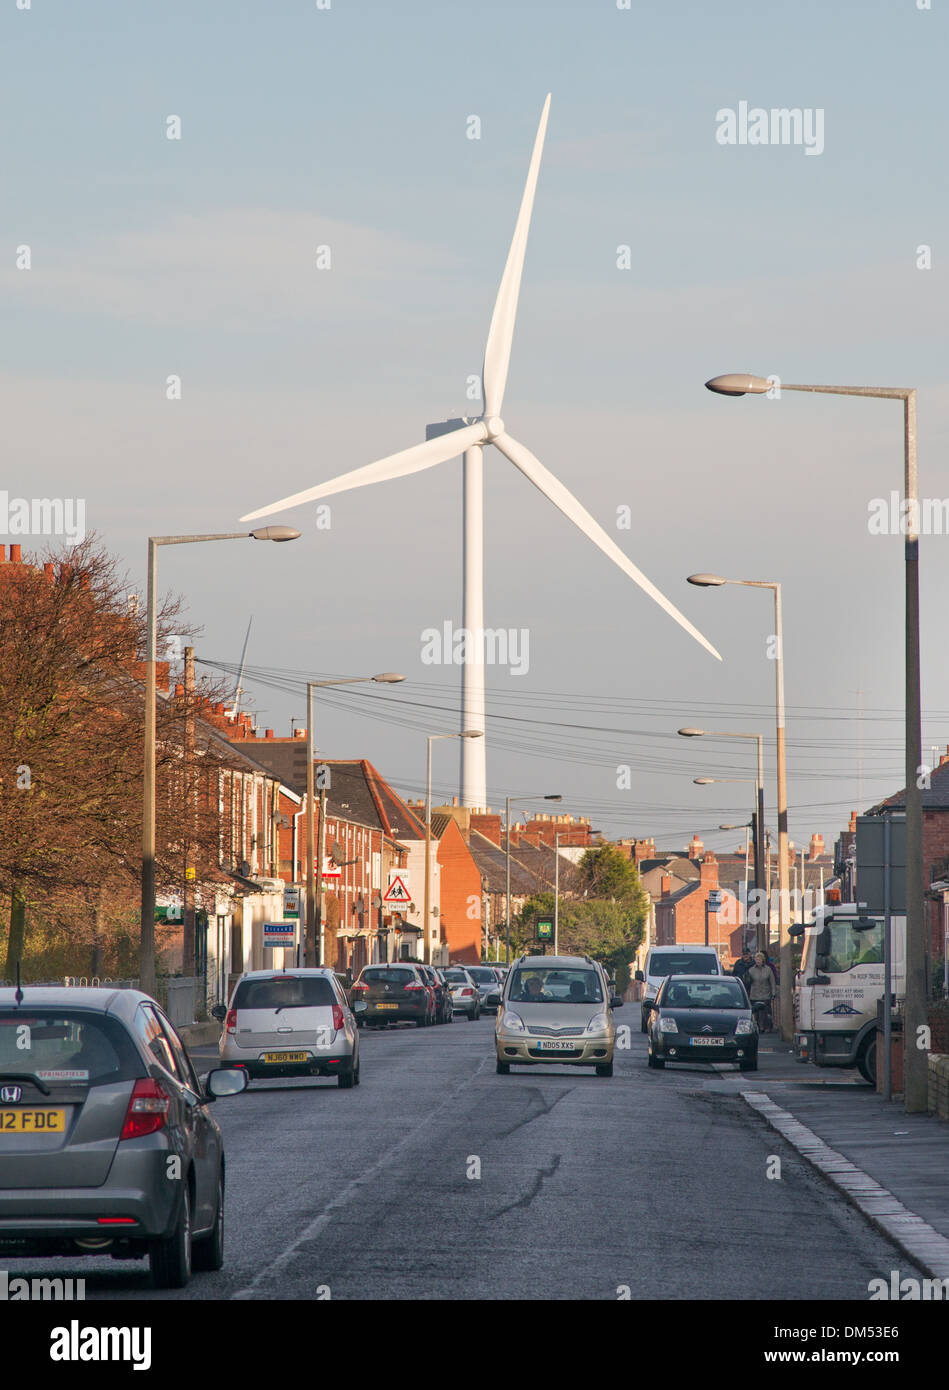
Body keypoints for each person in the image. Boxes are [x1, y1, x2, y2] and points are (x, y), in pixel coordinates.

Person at [746, 952, 776, 1031]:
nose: (758, 961)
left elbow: (772, 982)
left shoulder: (768, 969)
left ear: (763, 960)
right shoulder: (751, 970)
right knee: (756, 1014)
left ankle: (765, 1027)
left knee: (765, 1013)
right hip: (754, 995)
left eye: (759, 959)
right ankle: (757, 1028)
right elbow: (748, 983)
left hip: (766, 994)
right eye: (756, 959)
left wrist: (773, 993)